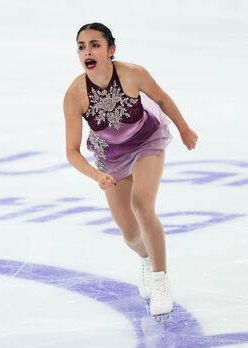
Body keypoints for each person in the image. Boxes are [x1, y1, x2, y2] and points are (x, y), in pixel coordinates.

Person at [62, 22, 198, 321]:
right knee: (129, 232)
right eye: (82, 46)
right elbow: (71, 151)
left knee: (142, 204)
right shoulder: (75, 94)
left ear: (111, 50)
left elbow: (161, 98)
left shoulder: (132, 73)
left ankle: (161, 280)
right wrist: (97, 175)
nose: (88, 51)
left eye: (95, 44)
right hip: (111, 157)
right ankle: (147, 260)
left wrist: (184, 128)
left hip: (147, 141)